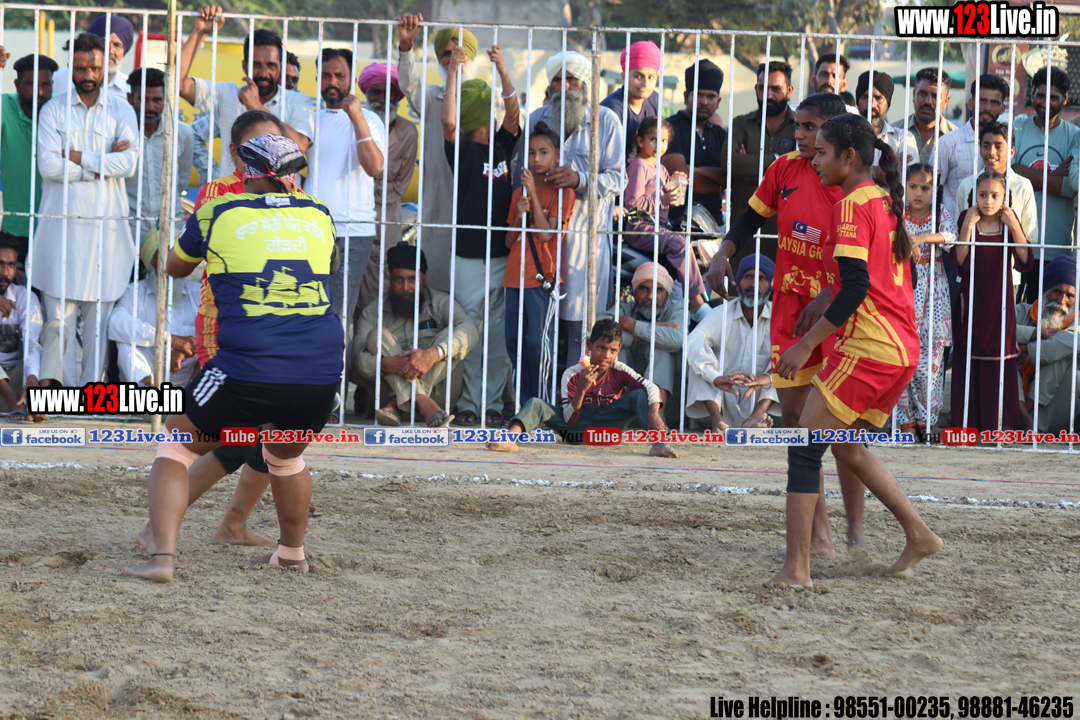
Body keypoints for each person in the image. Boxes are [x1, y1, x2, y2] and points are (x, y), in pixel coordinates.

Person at [123, 133, 342, 583]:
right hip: (320, 368)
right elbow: (330, 265)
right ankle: (291, 554)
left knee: (175, 444)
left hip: (248, 364)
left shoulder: (218, 210)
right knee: (285, 458)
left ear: (245, 170)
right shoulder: (319, 213)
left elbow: (175, 266)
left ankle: (161, 557)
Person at [772, 113, 942, 587]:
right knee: (846, 446)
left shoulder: (851, 206)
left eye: (823, 152)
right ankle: (919, 534)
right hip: (900, 349)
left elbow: (854, 288)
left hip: (871, 347)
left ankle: (797, 569)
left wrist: (805, 344)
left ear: (849, 157)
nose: (814, 159)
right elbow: (880, 279)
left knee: (804, 447)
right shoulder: (884, 200)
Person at [707, 93, 867, 554]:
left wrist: (829, 294)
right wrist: (722, 252)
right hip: (790, 311)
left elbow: (862, 268)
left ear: (835, 133)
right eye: (796, 125)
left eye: (809, 127)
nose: (798, 134)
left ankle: (856, 533)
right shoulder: (784, 170)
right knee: (797, 422)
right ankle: (820, 536)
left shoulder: (852, 186)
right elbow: (749, 220)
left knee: (843, 429)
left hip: (837, 315)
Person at [33, 33, 139, 387]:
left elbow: (128, 164)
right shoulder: (53, 110)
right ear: (72, 67)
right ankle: (60, 398)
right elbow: (48, 166)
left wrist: (78, 157)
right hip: (60, 234)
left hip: (106, 235)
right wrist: (101, 164)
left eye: (94, 67)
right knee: (58, 327)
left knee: (98, 331)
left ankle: (90, 401)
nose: (88, 74)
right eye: (80, 68)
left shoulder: (122, 110)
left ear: (106, 66)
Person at [522, 51, 623, 367]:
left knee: (581, 333)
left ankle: (572, 394)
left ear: (586, 84)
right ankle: (541, 392)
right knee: (541, 329)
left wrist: (579, 179)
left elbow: (618, 179)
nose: (564, 86)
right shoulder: (537, 119)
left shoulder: (606, 121)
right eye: (557, 80)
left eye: (572, 79)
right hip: (541, 243)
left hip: (585, 244)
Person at [440, 45, 519, 427]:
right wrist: (453, 73)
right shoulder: (464, 150)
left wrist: (502, 70)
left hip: (502, 254)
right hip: (469, 256)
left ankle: (491, 403)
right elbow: (448, 123)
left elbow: (515, 114)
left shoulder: (503, 144)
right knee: (470, 332)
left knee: (499, 335)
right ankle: (470, 402)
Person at [396, 16, 501, 294]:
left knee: (479, 293)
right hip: (440, 202)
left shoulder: (490, 98)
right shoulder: (432, 98)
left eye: (459, 52)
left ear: (472, 57)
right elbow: (409, 84)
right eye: (446, 54)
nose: (453, 59)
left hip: (480, 203)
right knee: (438, 282)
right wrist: (406, 46)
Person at [487, 318, 677, 458]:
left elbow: (651, 387)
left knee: (640, 394)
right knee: (536, 403)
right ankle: (509, 440)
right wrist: (581, 390)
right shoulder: (572, 373)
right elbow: (568, 419)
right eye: (601, 348)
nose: (606, 355)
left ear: (618, 351)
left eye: (612, 350)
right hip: (575, 432)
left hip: (608, 433)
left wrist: (654, 413)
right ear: (589, 345)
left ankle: (658, 443)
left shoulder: (620, 370)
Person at [178, 6, 314, 178]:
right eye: (256, 65)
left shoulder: (298, 101)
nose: (264, 73)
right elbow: (177, 83)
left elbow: (299, 147)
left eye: (271, 65)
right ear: (244, 66)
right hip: (234, 194)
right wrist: (200, 32)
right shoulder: (227, 94)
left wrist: (255, 106)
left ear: (280, 67)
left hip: (280, 195)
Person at [352, 243, 479, 427]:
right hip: (392, 401)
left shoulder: (441, 302)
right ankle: (420, 400)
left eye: (413, 279)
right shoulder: (373, 312)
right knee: (377, 336)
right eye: (399, 279)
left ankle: (400, 404)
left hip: (436, 401)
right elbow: (357, 359)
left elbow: (469, 332)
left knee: (451, 335)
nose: (406, 287)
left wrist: (433, 354)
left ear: (423, 278)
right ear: (390, 278)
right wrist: (385, 364)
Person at [308, 47, 386, 326]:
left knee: (337, 315)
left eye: (340, 76)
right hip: (312, 229)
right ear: (317, 78)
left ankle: (338, 358)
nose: (332, 82)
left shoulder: (370, 120)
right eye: (326, 75)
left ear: (351, 79)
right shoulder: (310, 119)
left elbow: (374, 167)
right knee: (310, 311)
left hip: (352, 231)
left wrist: (356, 117)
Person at [951, 170, 1033, 433]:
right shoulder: (967, 218)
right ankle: (969, 423)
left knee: (1000, 354)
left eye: (995, 195)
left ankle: (998, 423)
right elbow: (959, 261)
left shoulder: (1008, 221)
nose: (988, 201)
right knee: (969, 354)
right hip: (971, 300)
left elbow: (1025, 260)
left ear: (1004, 197)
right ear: (975, 195)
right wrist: (967, 226)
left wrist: (1015, 226)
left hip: (1000, 301)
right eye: (983, 195)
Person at [503, 122, 575, 405]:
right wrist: (520, 216)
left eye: (543, 152)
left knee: (537, 342)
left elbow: (546, 234)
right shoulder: (517, 195)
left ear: (556, 156)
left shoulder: (562, 193)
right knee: (514, 342)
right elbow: (508, 241)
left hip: (542, 277)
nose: (536, 159)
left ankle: (541, 405)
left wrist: (532, 195)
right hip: (513, 276)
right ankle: (522, 405)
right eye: (531, 153)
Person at [893, 164, 956, 437]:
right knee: (900, 356)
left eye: (925, 188)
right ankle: (905, 421)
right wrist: (907, 244)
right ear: (904, 188)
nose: (918, 193)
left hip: (934, 295)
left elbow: (952, 237)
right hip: (902, 292)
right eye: (913, 187)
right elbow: (886, 241)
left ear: (934, 190)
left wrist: (921, 238)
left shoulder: (938, 213)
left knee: (930, 360)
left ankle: (926, 420)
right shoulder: (897, 214)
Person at [1010, 67, 1080, 303]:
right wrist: (1055, 177)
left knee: (1046, 315)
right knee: (1011, 314)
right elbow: (1007, 179)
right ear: (1032, 93)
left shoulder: (1075, 136)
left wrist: (1024, 173)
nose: (1045, 102)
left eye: (1053, 97)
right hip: (1017, 243)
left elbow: (1072, 186)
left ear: (1065, 98)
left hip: (1056, 247)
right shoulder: (1016, 130)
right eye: (1041, 95)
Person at [686, 254, 777, 431]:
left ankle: (754, 419)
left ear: (771, 285)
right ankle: (717, 421)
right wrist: (715, 377)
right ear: (738, 282)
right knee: (698, 361)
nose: (753, 284)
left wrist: (767, 377)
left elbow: (792, 355)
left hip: (760, 401)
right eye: (748, 276)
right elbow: (694, 340)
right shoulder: (722, 312)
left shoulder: (778, 318)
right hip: (721, 397)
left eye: (761, 278)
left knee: (784, 368)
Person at [623, 117, 705, 312]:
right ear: (640, 141)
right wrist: (663, 199)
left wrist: (677, 181)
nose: (658, 145)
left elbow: (668, 196)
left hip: (658, 227)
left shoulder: (660, 168)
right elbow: (632, 203)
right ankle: (695, 301)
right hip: (640, 227)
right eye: (653, 139)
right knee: (680, 244)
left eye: (663, 141)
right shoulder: (639, 166)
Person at [356, 62, 418, 313]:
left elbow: (401, 184)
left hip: (386, 217)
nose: (382, 99)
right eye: (376, 92)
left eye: (389, 93)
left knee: (378, 287)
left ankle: (371, 334)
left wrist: (371, 188)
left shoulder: (408, 132)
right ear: (366, 94)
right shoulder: (355, 122)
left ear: (398, 97)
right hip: (353, 213)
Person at [108, 229, 199, 386]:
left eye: (172, 256)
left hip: (187, 381)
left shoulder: (197, 293)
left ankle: (190, 400)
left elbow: (217, 335)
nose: (167, 263)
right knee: (127, 342)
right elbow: (115, 322)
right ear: (151, 262)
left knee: (214, 352)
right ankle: (151, 396)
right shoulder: (136, 292)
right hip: (148, 376)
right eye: (159, 257)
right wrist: (168, 339)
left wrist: (188, 351)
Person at [727, 61, 796, 264]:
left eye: (776, 89)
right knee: (739, 282)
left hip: (784, 230)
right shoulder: (741, 124)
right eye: (762, 88)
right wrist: (777, 161)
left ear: (789, 90)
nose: (768, 95)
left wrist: (749, 172)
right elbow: (729, 163)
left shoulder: (800, 127)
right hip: (744, 227)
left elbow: (798, 171)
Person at [0, 54, 59, 269]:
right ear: (17, 84)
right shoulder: (4, 106)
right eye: (31, 84)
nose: (40, 92)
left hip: (56, 226)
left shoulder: (61, 108)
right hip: (15, 229)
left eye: (46, 84)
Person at [599, 262, 685, 407]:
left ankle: (657, 413)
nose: (650, 296)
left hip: (670, 403)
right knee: (614, 347)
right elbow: (597, 329)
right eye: (644, 289)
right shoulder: (626, 309)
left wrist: (631, 324)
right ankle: (616, 407)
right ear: (635, 291)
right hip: (628, 398)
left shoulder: (675, 309)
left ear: (667, 294)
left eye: (658, 290)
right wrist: (641, 335)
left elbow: (676, 340)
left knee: (662, 347)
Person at [125, 68, 194, 239]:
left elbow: (182, 181)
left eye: (157, 100)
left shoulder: (181, 133)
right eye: (143, 99)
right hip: (128, 227)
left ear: (166, 99)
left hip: (170, 225)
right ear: (130, 98)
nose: (150, 107)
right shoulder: (120, 134)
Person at [1017, 255, 1080, 434]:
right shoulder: (1022, 312)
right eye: (1057, 291)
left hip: (1056, 413)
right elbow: (995, 331)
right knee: (1004, 357)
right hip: (1012, 401)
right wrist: (1039, 333)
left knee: (1063, 352)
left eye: (1070, 296)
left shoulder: (1077, 322)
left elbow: (1070, 340)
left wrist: (1024, 349)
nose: (1061, 301)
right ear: (1044, 290)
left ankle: (1026, 417)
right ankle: (1022, 415)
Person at [661, 59, 726, 230]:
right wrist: (717, 183)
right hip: (678, 225)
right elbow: (681, 179)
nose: (704, 101)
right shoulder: (669, 128)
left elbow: (729, 177)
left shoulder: (720, 134)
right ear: (686, 97)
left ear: (718, 101)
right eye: (698, 95)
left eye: (711, 97)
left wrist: (695, 170)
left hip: (715, 223)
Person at [936, 74, 1011, 217]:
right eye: (982, 101)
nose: (987, 108)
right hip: (954, 228)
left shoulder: (1008, 146)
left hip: (996, 229)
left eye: (995, 103)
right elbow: (931, 190)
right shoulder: (948, 143)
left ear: (1003, 108)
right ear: (970, 104)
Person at [954, 122, 1037, 244]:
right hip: (972, 256)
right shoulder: (967, 185)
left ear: (1011, 152)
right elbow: (958, 233)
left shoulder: (1022, 186)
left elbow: (1031, 237)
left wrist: (1013, 225)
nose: (991, 152)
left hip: (1011, 256)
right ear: (980, 150)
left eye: (998, 147)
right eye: (986, 146)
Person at [0, 237, 44, 422]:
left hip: (19, 382)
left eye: (11, 265)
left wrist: (32, 379)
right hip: (4, 394)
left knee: (55, 330)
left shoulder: (25, 297)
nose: (5, 272)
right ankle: (13, 402)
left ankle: (37, 401)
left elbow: (32, 345)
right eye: (0, 264)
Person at [600, 40, 661, 163]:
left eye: (651, 77)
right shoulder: (612, 107)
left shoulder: (655, 99)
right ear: (624, 77)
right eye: (638, 76)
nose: (645, 83)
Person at [890, 67, 956, 166]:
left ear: (946, 101)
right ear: (914, 95)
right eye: (922, 94)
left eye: (935, 96)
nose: (928, 101)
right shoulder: (892, 133)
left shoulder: (955, 139)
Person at [53, 14, 134, 96]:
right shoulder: (56, 80)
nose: (110, 51)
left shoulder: (129, 89)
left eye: (117, 45)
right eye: (104, 42)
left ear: (124, 50)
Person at [855, 71, 918, 168]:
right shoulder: (847, 136)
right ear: (858, 103)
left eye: (878, 98)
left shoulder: (902, 138)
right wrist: (888, 170)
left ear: (888, 105)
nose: (872, 105)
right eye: (865, 97)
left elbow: (910, 175)